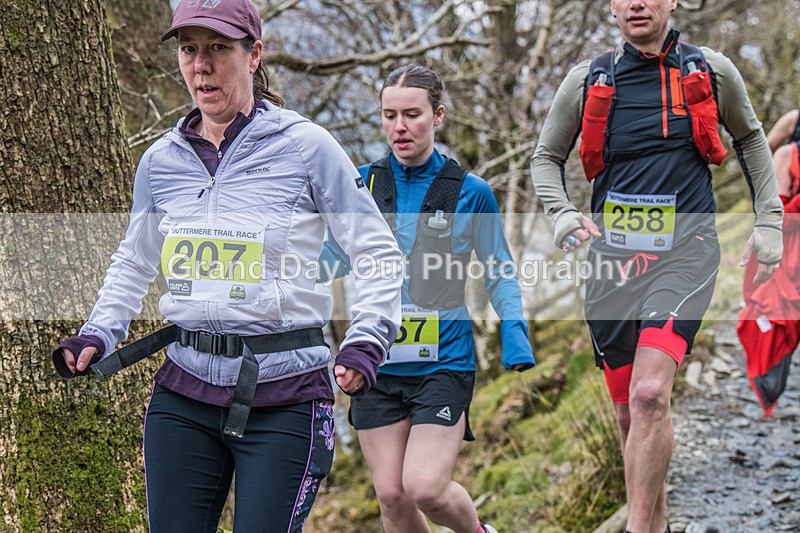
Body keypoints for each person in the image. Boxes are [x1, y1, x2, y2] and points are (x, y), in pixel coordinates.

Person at [52, 1, 402, 531]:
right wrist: (97, 332)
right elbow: (134, 258)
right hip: (185, 389)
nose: (201, 65)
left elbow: (375, 250)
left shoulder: (305, 146)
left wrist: (368, 338)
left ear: (254, 54)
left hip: (284, 394)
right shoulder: (161, 159)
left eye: (219, 48)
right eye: (189, 50)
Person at [530, 1, 783, 532]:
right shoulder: (587, 80)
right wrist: (561, 213)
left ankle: (638, 528)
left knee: (651, 394)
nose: (638, 3)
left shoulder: (711, 70)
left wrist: (768, 221)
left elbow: (753, 139)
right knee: (629, 412)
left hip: (685, 255)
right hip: (611, 269)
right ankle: (659, 521)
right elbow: (545, 158)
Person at [319, 65, 535, 533]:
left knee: (424, 487)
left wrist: (514, 331)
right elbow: (327, 259)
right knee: (393, 496)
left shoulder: (471, 193)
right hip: (374, 361)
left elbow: (499, 270)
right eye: (389, 115)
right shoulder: (361, 187)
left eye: (412, 114)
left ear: (437, 116)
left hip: (443, 362)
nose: (400, 126)